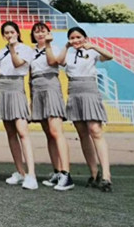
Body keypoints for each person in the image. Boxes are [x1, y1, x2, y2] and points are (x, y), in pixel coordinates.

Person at [59, 27, 114, 192]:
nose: (75, 40)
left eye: (78, 37)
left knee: (95, 130)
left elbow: (109, 56)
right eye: (72, 38)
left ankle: (106, 175)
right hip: (74, 91)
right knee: (82, 133)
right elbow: (59, 61)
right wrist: (66, 46)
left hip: (90, 89)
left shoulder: (92, 52)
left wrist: (93, 46)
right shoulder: (68, 54)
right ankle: (94, 172)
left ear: (85, 37)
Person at [0, 21, 37, 190]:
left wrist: (12, 48)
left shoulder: (25, 49)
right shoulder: (1, 51)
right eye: (6, 33)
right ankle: (20, 171)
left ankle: (31, 175)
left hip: (16, 86)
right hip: (2, 88)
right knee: (10, 132)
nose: (9, 35)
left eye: (12, 32)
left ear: (18, 33)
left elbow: (18, 64)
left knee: (22, 132)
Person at [29, 22, 72, 191]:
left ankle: (66, 173)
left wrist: (47, 44)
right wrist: (31, 97)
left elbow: (53, 61)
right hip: (37, 88)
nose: (40, 34)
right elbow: (30, 75)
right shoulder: (31, 51)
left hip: (50, 84)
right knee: (48, 133)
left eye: (43, 31)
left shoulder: (54, 47)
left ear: (49, 33)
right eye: (37, 32)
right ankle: (57, 171)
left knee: (56, 131)